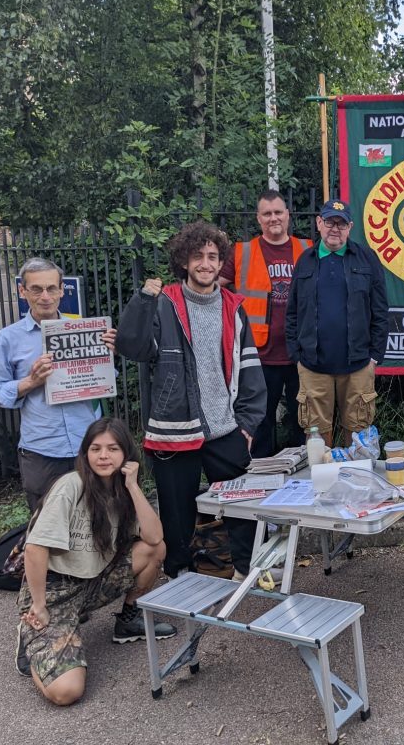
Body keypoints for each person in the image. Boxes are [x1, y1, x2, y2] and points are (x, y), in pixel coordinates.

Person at [114, 221, 267, 580]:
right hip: (173, 429)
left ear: (220, 263)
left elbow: (250, 369)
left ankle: (247, 572)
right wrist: (143, 301)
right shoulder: (164, 302)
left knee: (241, 507)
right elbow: (132, 346)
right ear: (184, 260)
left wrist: (246, 425)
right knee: (176, 512)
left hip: (226, 428)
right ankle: (179, 577)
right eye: (198, 256)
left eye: (213, 257)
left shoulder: (234, 305)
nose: (205, 263)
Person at [15, 417, 176, 706]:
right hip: (54, 593)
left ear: (126, 455)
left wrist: (134, 486)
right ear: (85, 453)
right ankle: (32, 640)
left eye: (113, 449)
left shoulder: (123, 490)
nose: (103, 456)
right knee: (66, 692)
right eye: (95, 448)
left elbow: (154, 537)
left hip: (93, 581)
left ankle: (128, 621)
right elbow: (35, 548)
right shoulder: (71, 486)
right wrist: (39, 605)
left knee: (154, 550)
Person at [0, 258, 116, 512]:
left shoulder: (83, 328)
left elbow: (105, 380)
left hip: (88, 445)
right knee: (45, 528)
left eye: (51, 288)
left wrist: (106, 353)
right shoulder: (8, 338)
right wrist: (30, 382)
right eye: (36, 289)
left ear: (61, 290)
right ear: (22, 292)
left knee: (97, 522)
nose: (45, 296)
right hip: (42, 449)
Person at [286, 199, 389, 447]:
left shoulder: (366, 259)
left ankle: (358, 482)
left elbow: (380, 310)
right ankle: (321, 484)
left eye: (341, 224)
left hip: (358, 365)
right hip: (313, 365)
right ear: (319, 223)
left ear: (350, 227)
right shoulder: (306, 261)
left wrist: (375, 355)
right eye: (330, 222)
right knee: (316, 437)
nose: (335, 228)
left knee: (358, 436)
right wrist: (296, 355)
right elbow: (292, 312)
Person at [220, 190, 310, 458]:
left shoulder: (308, 250)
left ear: (288, 215)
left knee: (302, 422)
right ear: (259, 218)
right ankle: (259, 477)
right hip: (259, 356)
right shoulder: (241, 252)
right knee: (259, 422)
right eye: (267, 213)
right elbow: (210, 288)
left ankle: (301, 475)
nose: (274, 218)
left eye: (278, 212)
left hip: (300, 354)